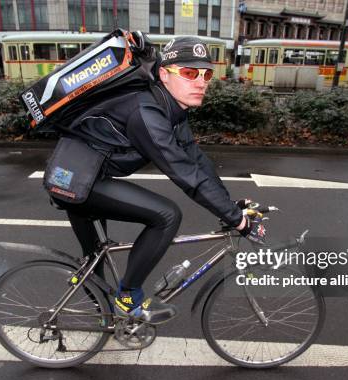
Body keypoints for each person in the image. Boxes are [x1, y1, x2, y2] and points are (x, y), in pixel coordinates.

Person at [51, 37, 262, 324]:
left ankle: (108, 321)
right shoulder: (146, 113)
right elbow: (183, 173)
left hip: (86, 172)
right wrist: (237, 220)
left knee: (95, 264)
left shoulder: (172, 110)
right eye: (189, 73)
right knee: (166, 215)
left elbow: (197, 163)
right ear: (164, 74)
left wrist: (230, 206)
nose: (201, 82)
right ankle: (127, 298)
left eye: (207, 74)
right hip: (75, 180)